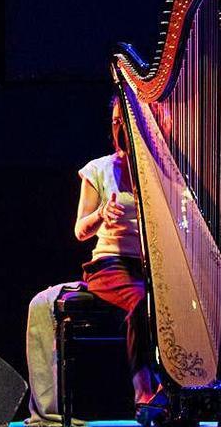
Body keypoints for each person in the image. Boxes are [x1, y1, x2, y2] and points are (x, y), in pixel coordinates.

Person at [74, 96, 157, 405]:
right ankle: (144, 389)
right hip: (110, 266)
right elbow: (80, 231)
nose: (120, 127)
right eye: (116, 120)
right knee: (142, 301)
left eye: (127, 120)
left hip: (154, 267)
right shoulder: (98, 169)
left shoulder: (162, 172)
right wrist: (100, 216)